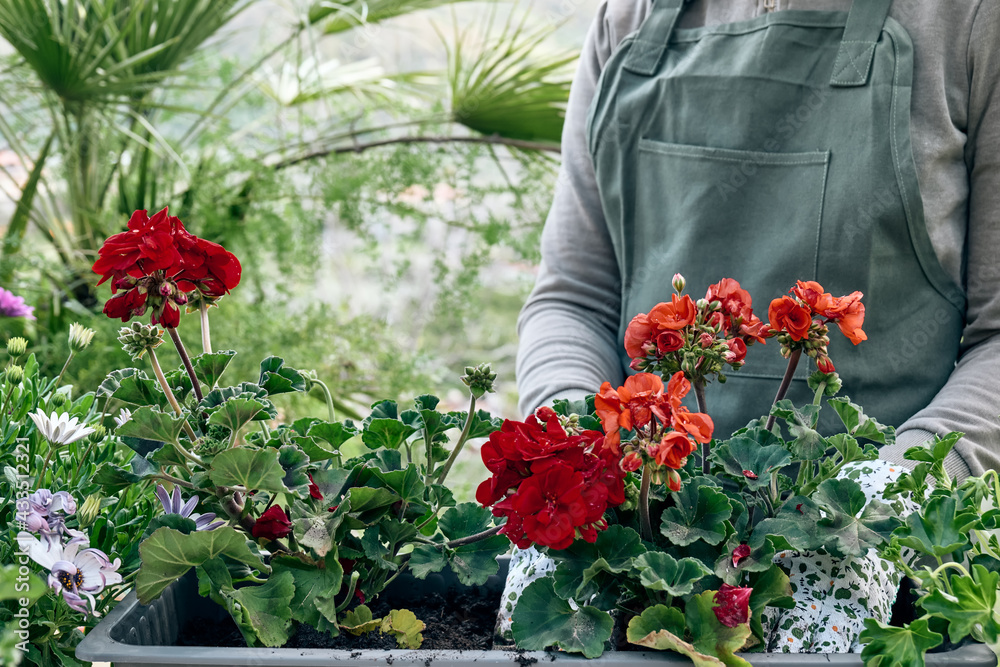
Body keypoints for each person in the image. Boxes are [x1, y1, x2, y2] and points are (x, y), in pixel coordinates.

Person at [505, 0, 1000, 652]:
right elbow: (574, 300)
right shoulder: (629, 21)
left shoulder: (966, 19)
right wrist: (574, 459)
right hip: (646, 560)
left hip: (891, 586)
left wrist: (883, 500)